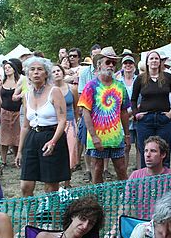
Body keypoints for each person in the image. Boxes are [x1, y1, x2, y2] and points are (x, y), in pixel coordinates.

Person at [16, 57, 69, 196]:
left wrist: (53, 142)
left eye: (40, 69)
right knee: (25, 185)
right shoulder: (26, 95)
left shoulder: (55, 91)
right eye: (32, 70)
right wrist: (20, 151)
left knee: (51, 186)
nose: (36, 73)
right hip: (32, 137)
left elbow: (62, 120)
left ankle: (53, 217)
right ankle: (31, 217)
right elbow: (25, 126)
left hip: (52, 136)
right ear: (28, 74)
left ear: (46, 73)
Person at [78, 47, 131, 184]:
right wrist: (94, 136)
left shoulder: (120, 86)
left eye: (114, 63)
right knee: (97, 169)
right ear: (99, 64)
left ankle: (124, 197)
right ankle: (98, 200)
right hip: (98, 138)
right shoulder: (91, 86)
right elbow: (85, 112)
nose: (112, 65)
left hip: (116, 137)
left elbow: (124, 111)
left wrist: (126, 135)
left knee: (121, 168)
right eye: (108, 62)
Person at [131, 51, 171, 169]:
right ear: (147, 62)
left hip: (163, 120)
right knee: (146, 153)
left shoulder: (168, 77)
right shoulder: (140, 79)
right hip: (145, 120)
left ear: (160, 62)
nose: (154, 61)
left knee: (164, 152)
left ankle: (164, 182)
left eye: (156, 59)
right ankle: (146, 183)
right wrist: (136, 114)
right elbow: (133, 99)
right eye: (151, 58)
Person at [77, 45, 102, 183]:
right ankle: (88, 170)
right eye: (94, 55)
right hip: (88, 113)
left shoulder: (107, 73)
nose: (97, 58)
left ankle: (103, 170)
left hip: (103, 116)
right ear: (91, 56)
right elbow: (81, 94)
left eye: (99, 55)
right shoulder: (85, 73)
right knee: (88, 143)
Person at [52, 64, 78, 188]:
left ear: (63, 73)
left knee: (71, 153)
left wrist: (76, 123)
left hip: (70, 123)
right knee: (57, 153)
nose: (56, 73)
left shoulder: (72, 88)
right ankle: (56, 181)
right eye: (53, 71)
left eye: (58, 70)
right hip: (55, 125)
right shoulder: (50, 91)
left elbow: (76, 107)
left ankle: (68, 183)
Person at [117, 54, 139, 170]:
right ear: (122, 66)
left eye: (130, 63)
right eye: (125, 63)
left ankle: (139, 171)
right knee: (126, 146)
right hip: (123, 118)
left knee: (140, 146)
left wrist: (134, 111)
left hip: (138, 116)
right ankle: (124, 172)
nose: (128, 65)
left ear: (134, 66)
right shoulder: (118, 81)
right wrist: (126, 114)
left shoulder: (139, 79)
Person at [0, 60, 23, 166]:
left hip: (17, 112)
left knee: (16, 137)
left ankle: (16, 159)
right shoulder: (2, 82)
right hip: (4, 112)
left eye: (9, 67)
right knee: (4, 137)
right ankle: (3, 160)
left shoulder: (20, 81)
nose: (7, 69)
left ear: (14, 68)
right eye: (5, 68)